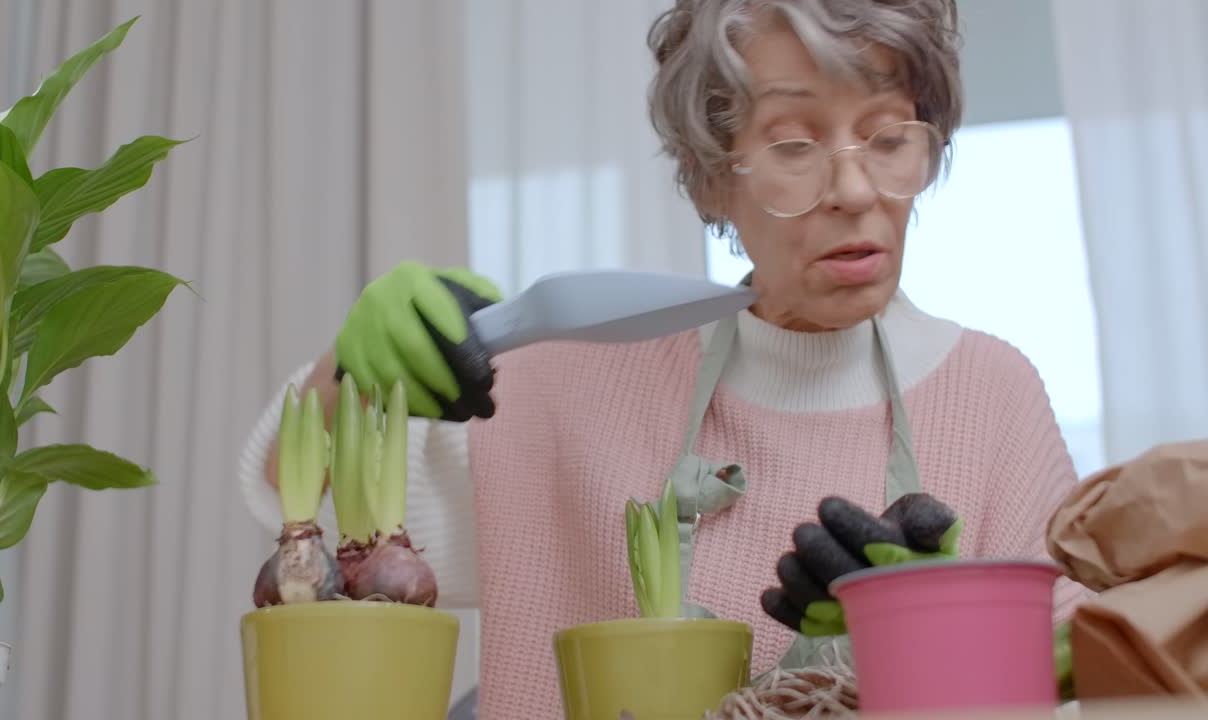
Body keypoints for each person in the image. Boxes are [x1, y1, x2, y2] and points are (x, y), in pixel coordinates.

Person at [238, 0, 1091, 716]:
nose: (856, 189)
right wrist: (352, 366)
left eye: (888, 137)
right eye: (793, 145)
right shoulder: (569, 385)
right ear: (714, 176)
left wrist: (939, 625)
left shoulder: (991, 394)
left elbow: (1085, 678)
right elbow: (297, 499)